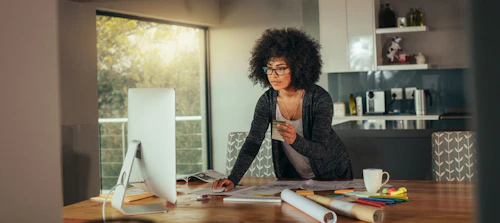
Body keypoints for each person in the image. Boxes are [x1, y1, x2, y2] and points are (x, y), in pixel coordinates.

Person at [212, 27, 353, 192]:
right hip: (295, 178)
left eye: (280, 68)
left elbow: (321, 151)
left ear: (298, 67)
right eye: (269, 68)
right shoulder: (268, 101)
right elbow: (253, 142)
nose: (273, 75)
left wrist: (295, 141)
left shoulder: (319, 99)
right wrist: (233, 179)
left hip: (333, 175)